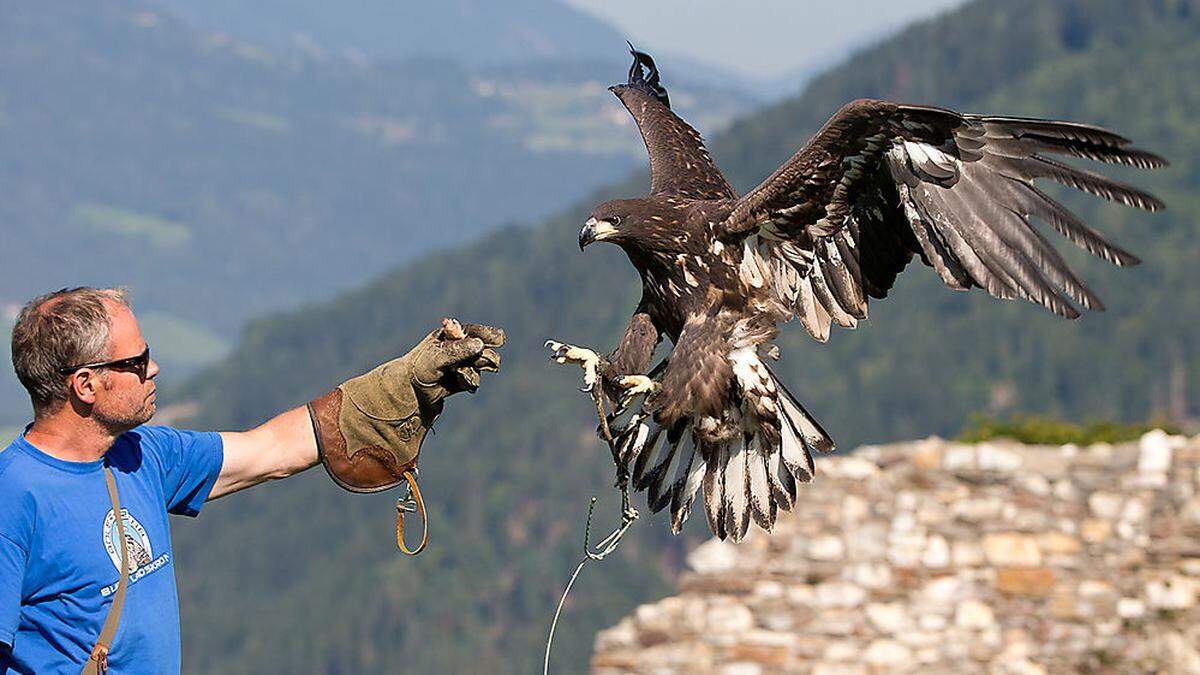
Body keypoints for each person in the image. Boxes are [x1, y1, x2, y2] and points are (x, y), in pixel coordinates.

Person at [0, 287, 503, 673]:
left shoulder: (141, 455)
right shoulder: (15, 496)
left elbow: (271, 451)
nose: (153, 368)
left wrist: (398, 386)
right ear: (86, 384)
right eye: (134, 362)